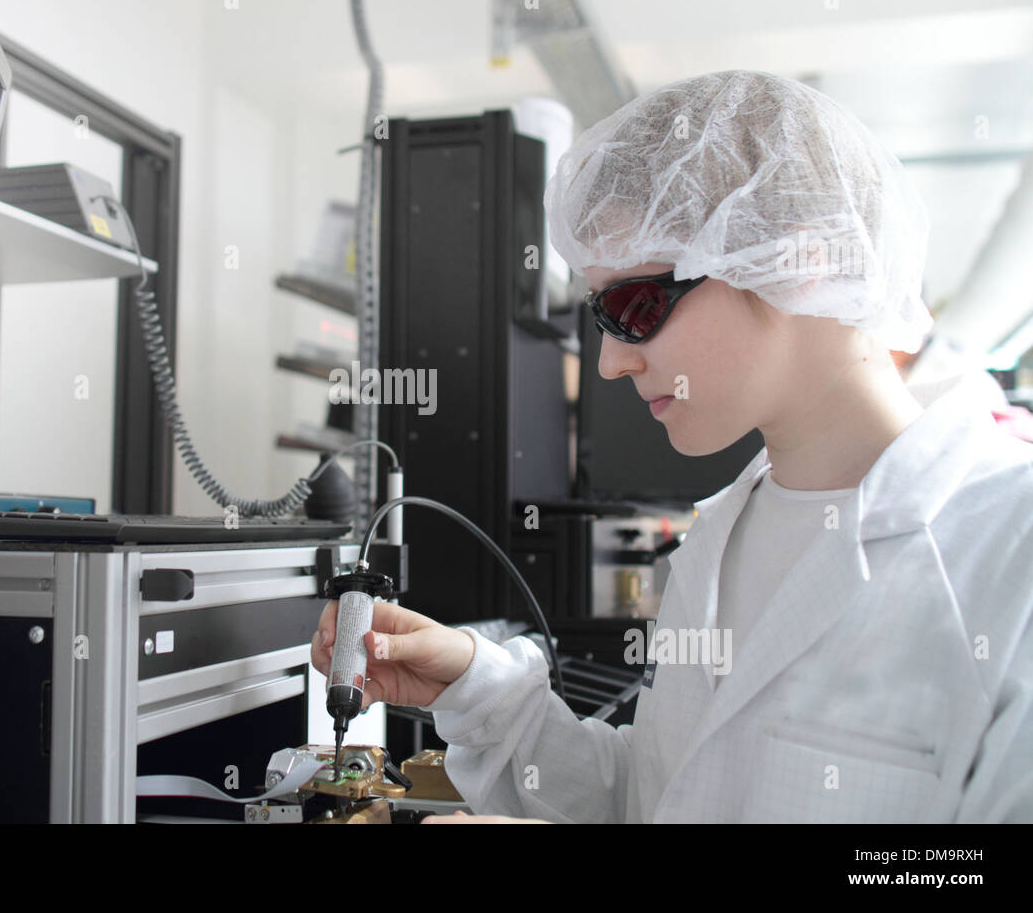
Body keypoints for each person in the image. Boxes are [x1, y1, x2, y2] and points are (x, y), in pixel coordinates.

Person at [312, 70, 1033, 823]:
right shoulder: (721, 535)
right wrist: (477, 690)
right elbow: (667, 797)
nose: (610, 363)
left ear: (795, 259)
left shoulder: (1009, 552)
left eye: (635, 305)